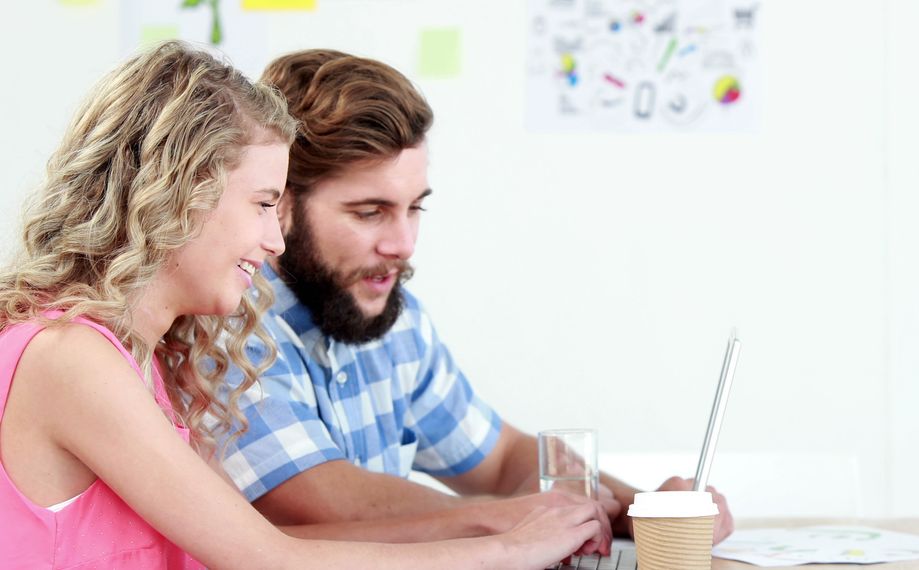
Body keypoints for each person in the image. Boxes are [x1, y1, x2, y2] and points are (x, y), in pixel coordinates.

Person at [0, 41, 607, 569]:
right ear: (178, 197)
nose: (276, 238)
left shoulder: (150, 362)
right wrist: (507, 547)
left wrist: (523, 526)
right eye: (263, 203)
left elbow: (262, 542)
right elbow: (269, 558)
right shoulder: (70, 360)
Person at [216, 48, 735, 545]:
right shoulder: (231, 325)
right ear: (279, 203)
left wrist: (643, 510)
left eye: (414, 208)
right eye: (370, 212)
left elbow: (504, 458)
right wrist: (517, 520)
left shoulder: (394, 323)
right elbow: (315, 496)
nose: (403, 244)